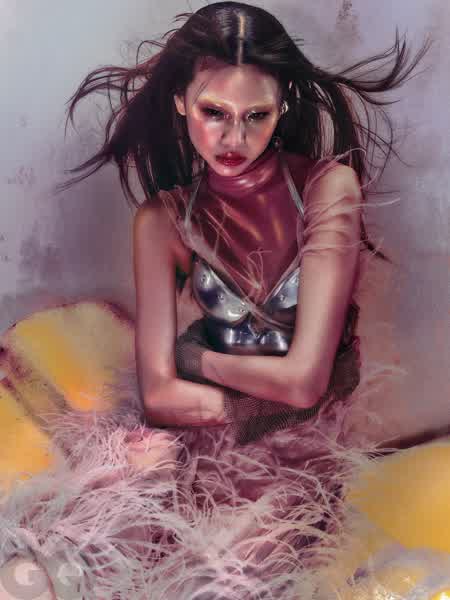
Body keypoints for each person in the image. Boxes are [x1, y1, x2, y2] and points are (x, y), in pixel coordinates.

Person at [0, 3, 430, 598]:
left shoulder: (328, 187)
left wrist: (198, 360)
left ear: (282, 107)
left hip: (294, 453)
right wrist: (238, 397)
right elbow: (159, 394)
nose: (234, 139)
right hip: (184, 435)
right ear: (181, 101)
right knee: (67, 548)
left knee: (222, 576)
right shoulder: (162, 220)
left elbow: (306, 384)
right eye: (214, 113)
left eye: (256, 115)